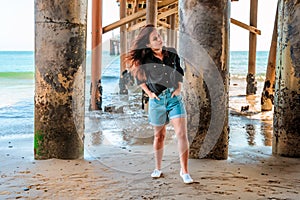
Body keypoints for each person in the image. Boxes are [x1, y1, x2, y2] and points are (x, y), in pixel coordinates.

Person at [126, 24, 193, 184]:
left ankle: (184, 171)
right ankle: (157, 168)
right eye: (155, 38)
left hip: (173, 98)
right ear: (148, 44)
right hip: (157, 101)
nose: (160, 39)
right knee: (159, 136)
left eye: (159, 36)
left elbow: (180, 73)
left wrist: (178, 88)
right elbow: (140, 79)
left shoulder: (172, 53)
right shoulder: (144, 59)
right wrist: (149, 94)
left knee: (181, 134)